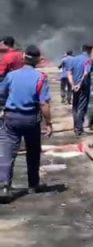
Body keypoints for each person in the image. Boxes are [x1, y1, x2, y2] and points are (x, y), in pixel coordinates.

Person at [0, 44, 53, 202]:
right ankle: (33, 185)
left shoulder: (11, 75)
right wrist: (48, 123)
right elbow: (44, 104)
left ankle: (4, 186)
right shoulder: (41, 77)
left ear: (23, 57)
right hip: (31, 119)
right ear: (37, 60)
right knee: (33, 152)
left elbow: (2, 94)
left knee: (7, 152)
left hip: (11, 118)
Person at [68, 44, 93, 136]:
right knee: (82, 107)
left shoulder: (73, 59)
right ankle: (79, 129)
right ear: (89, 51)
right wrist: (79, 84)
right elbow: (86, 73)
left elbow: (69, 73)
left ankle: (76, 127)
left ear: (81, 49)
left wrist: (73, 85)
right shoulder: (88, 60)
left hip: (74, 86)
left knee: (75, 107)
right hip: (83, 86)